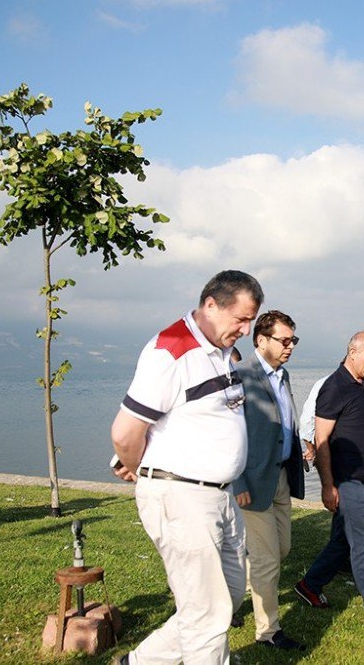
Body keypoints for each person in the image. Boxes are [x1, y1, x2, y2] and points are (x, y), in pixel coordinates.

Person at [111, 270, 263, 664]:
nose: (246, 330)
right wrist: (142, 467)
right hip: (182, 496)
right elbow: (126, 432)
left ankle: (140, 662)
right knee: (206, 616)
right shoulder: (171, 351)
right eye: (241, 319)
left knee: (224, 599)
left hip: (220, 495)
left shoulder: (219, 351)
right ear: (210, 305)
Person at [293, 331, 364, 628]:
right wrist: (328, 486)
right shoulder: (334, 387)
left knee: (342, 541)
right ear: (353, 352)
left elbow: (360, 433)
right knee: (362, 543)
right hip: (347, 482)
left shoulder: (360, 385)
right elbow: (322, 439)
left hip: (363, 479)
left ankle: (309, 585)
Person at [232, 310, 306, 651]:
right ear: (261, 340)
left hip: (280, 478)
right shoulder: (240, 376)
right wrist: (238, 482)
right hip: (252, 482)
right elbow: (229, 434)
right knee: (266, 560)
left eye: (293, 340)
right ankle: (268, 631)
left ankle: (232, 586)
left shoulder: (283, 375)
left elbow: (283, 422)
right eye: (284, 340)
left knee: (282, 549)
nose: (290, 346)